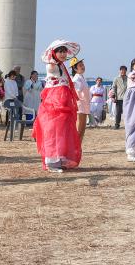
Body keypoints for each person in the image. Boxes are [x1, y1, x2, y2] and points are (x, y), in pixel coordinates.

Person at [32, 41, 82, 172]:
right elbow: (52, 70)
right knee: (53, 129)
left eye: (64, 51)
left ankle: (59, 157)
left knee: (63, 130)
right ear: (54, 53)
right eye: (60, 51)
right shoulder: (52, 65)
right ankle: (51, 161)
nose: (63, 54)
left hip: (63, 99)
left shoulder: (61, 66)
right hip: (54, 100)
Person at [71, 58, 91, 140]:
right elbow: (77, 92)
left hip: (85, 104)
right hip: (79, 104)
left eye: (83, 65)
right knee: (79, 127)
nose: (82, 67)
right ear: (75, 68)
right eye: (80, 65)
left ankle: (78, 147)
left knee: (83, 127)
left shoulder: (81, 77)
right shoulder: (76, 78)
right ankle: (75, 147)